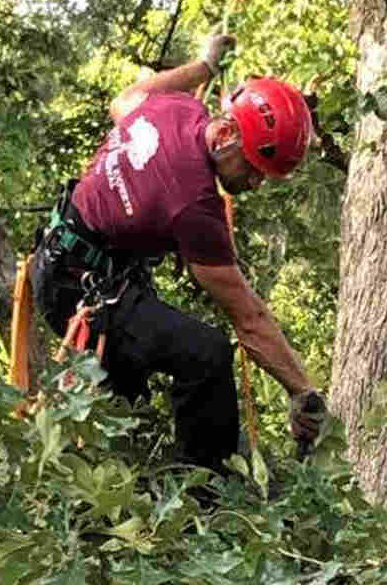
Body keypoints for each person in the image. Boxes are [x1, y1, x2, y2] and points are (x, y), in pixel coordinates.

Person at [29, 33, 324, 474]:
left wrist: (202, 65)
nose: (254, 184)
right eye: (251, 168)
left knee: (130, 416)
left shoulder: (178, 107)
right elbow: (249, 320)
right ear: (225, 133)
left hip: (71, 262)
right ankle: (205, 500)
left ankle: (139, 490)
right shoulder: (194, 206)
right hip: (78, 290)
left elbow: (126, 98)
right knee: (206, 353)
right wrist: (302, 391)